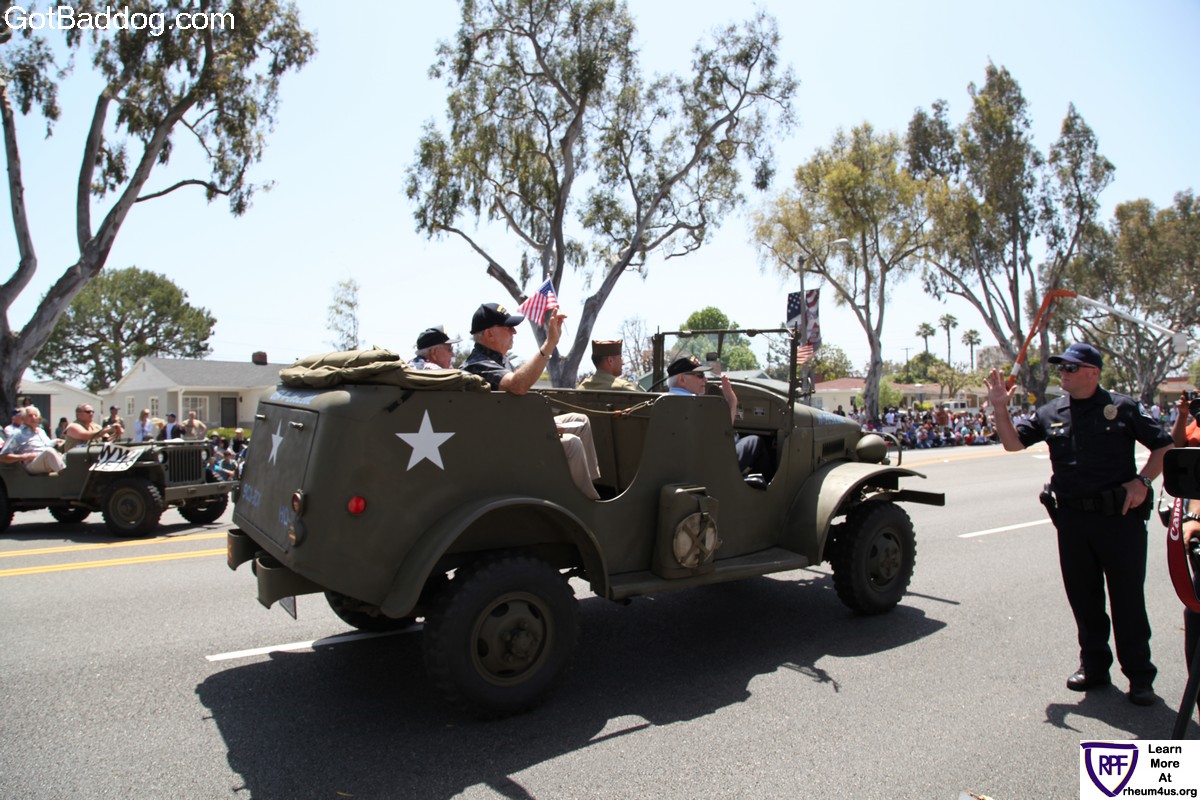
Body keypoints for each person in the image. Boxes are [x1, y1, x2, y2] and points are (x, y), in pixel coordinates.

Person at [984, 342, 1172, 706]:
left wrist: (1143, 482)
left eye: (1071, 368)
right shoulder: (1050, 411)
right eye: (1062, 367)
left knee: (1128, 600)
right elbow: (1012, 444)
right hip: (1072, 520)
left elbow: (1163, 447)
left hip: (1119, 520)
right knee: (1084, 599)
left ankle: (1139, 676)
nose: (1064, 373)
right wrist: (1000, 407)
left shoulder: (1122, 407)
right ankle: (1094, 666)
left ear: (1093, 373)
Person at [463, 302, 601, 500]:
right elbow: (518, 385)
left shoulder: (499, 360)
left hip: (515, 430)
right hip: (503, 444)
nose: (514, 332)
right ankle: (587, 502)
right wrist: (549, 344)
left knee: (581, 421)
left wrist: (539, 423)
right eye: (508, 327)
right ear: (489, 334)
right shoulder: (478, 364)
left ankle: (591, 485)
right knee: (572, 444)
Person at [665, 355, 774, 480]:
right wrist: (732, 401)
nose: (705, 380)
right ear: (682, 379)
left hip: (678, 465)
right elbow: (723, 437)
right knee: (754, 441)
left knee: (736, 437)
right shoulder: (695, 405)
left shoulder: (663, 401)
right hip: (709, 468)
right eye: (700, 375)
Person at [0, 406, 66, 474]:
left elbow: (47, 444)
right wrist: (26, 456)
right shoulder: (18, 434)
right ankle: (66, 475)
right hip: (32, 463)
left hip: (47, 459)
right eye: (30, 416)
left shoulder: (41, 431)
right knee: (49, 452)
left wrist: (57, 441)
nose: (33, 418)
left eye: (36, 415)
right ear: (23, 418)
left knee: (69, 455)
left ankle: (68, 474)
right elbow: (3, 457)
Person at [577, 340, 642, 391]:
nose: (622, 363)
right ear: (610, 360)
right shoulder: (622, 387)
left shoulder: (581, 388)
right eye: (620, 358)